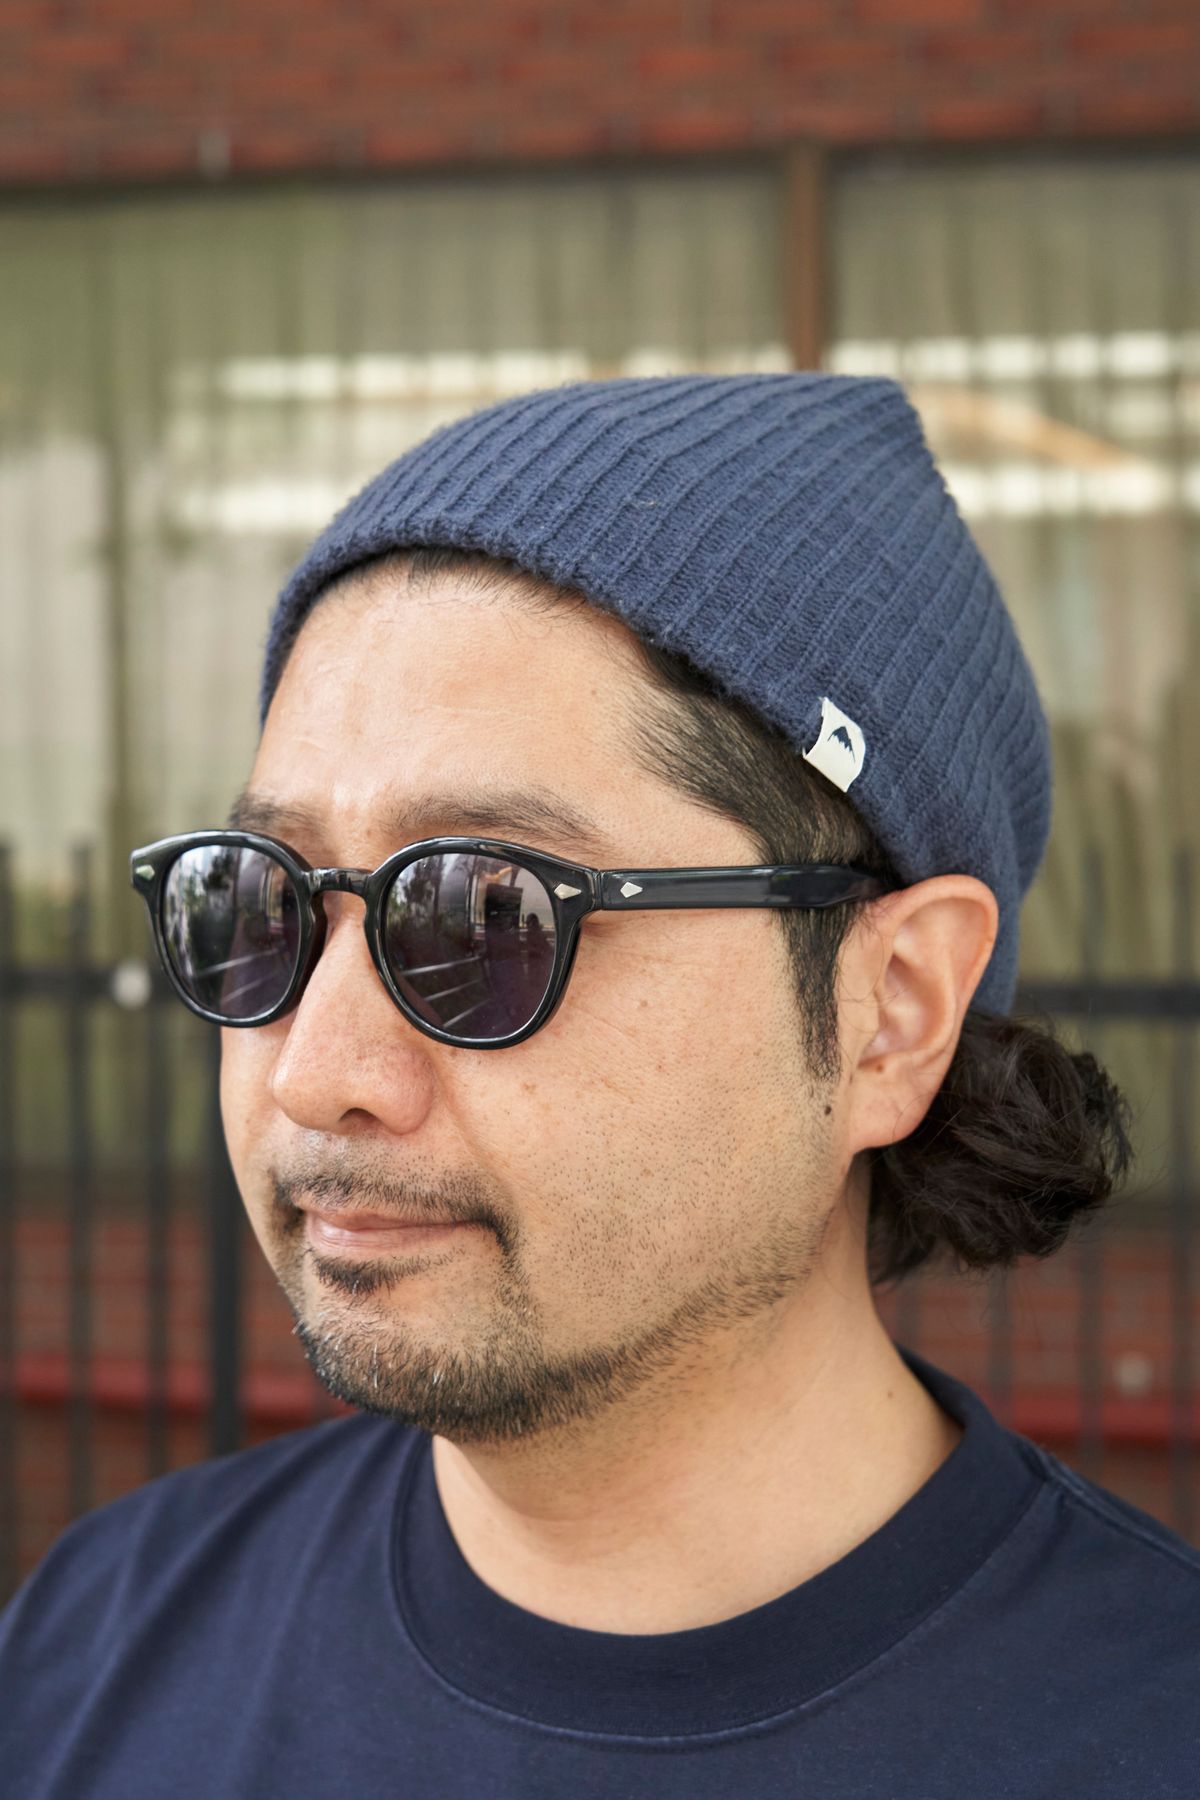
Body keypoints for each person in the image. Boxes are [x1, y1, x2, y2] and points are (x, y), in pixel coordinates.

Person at [2, 373, 1197, 1798]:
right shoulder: (94, 1653)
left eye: (480, 915)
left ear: (893, 1010)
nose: (317, 1073)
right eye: (262, 903)